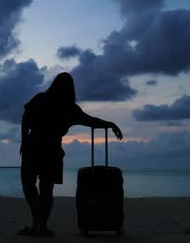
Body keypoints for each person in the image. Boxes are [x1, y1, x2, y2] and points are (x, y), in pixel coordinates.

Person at [17, 72, 123, 237]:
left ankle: (36, 224)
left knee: (30, 186)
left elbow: (25, 119)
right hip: (50, 151)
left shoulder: (44, 99)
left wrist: (24, 140)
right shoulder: (68, 107)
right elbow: (91, 121)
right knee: (44, 189)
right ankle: (40, 226)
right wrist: (111, 124)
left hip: (34, 148)